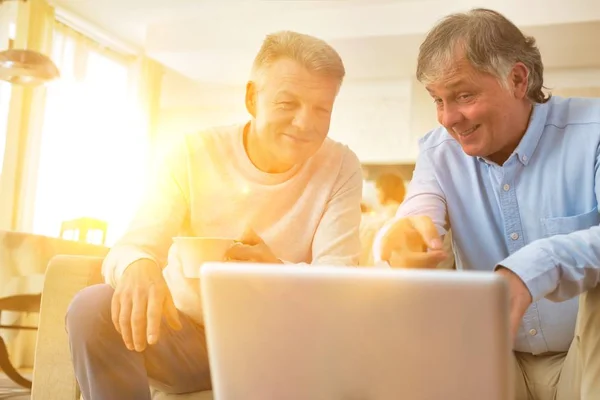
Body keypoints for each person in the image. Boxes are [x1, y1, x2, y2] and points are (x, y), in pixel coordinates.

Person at [65, 31, 363, 399]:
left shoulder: (341, 165)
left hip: (280, 347)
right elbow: (133, 244)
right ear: (252, 98)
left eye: (322, 109)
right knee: (92, 307)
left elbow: (341, 280)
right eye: (288, 104)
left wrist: (280, 275)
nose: (305, 123)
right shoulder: (192, 152)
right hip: (186, 340)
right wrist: (137, 265)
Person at [374, 8, 600, 400]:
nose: (448, 118)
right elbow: (419, 210)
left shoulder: (592, 133)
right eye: (437, 100)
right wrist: (403, 236)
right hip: (493, 359)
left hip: (586, 355)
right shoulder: (438, 152)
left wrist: (531, 270)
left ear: (517, 79)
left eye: (464, 95)